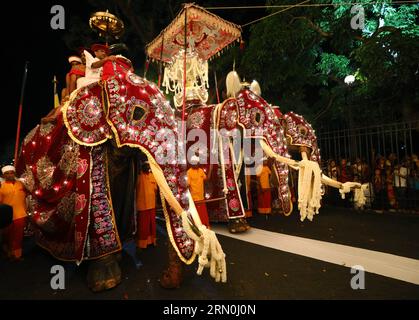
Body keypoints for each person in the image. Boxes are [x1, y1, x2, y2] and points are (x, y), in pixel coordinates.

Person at [0, 165, 27, 261]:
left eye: (11, 172)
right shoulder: (1, 187)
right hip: (7, 216)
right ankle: (8, 251)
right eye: (6, 173)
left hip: (21, 214)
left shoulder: (22, 184)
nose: (9, 175)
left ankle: (16, 255)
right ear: (3, 176)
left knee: (18, 236)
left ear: (14, 173)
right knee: (7, 236)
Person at [135, 161, 158, 249]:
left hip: (151, 204)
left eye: (148, 166)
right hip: (142, 205)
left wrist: (156, 202)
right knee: (143, 226)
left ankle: (152, 241)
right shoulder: (138, 176)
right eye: (145, 166)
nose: (147, 168)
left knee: (151, 225)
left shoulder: (152, 176)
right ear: (142, 167)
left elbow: (155, 190)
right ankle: (142, 244)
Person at [187, 155, 210, 227]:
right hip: (194, 198)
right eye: (193, 162)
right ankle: (197, 227)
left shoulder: (200, 170)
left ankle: (205, 226)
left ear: (198, 163)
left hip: (201, 197)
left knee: (203, 214)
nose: (194, 164)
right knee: (196, 215)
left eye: (196, 162)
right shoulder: (189, 172)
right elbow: (187, 185)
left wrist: (211, 169)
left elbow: (206, 179)